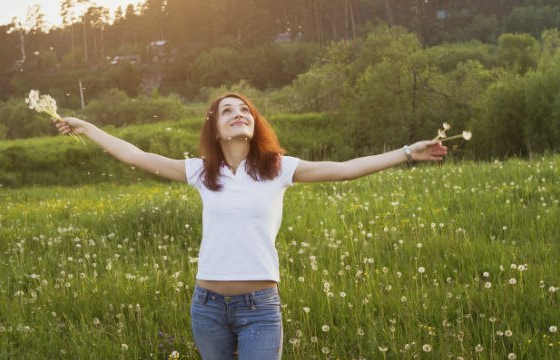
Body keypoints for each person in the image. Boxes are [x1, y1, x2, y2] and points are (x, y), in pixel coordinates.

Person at [55, 92, 447, 359]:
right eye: (227, 111)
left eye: (244, 110)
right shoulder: (200, 171)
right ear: (216, 128)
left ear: (254, 123)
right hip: (206, 307)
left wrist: (408, 152)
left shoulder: (279, 169)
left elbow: (345, 169)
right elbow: (135, 155)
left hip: (260, 307)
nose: (238, 114)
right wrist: (86, 127)